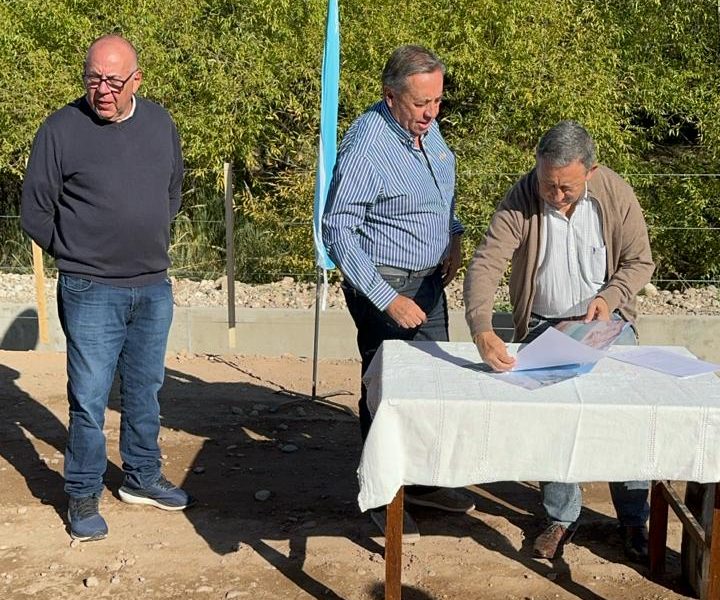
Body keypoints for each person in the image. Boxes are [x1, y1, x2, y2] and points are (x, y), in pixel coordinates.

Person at [21, 34, 191, 542]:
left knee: (145, 390)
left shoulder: (160, 124)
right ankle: (82, 491)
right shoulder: (60, 129)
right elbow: (35, 211)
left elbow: (172, 192)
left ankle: (141, 477)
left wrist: (144, 237)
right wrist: (76, 252)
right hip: (89, 288)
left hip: (152, 286)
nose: (102, 90)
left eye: (114, 81)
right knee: (90, 397)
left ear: (137, 80)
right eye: (93, 78)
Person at [463, 120, 655, 562]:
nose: (555, 194)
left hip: (607, 321)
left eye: (566, 186)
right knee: (552, 418)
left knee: (626, 414)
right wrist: (481, 328)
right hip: (543, 323)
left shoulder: (615, 193)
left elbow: (639, 261)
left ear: (591, 171)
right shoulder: (522, 196)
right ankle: (560, 517)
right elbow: (487, 262)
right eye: (547, 183)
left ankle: (633, 519)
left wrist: (609, 299)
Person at [322, 44, 475, 539]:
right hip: (386, 283)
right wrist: (385, 297)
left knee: (433, 385)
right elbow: (337, 228)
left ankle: (423, 485)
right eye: (421, 103)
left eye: (438, 101)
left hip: (429, 281)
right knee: (387, 392)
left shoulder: (423, 127)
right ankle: (382, 495)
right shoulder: (367, 145)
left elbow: (439, 186)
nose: (432, 112)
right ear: (391, 97)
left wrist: (452, 234)